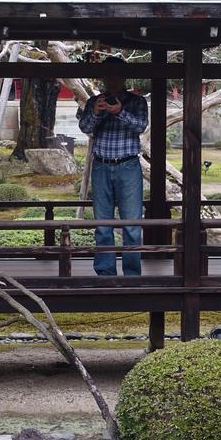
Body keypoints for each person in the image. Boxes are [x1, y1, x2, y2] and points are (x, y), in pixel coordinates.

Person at [78, 57, 149, 276]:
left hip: (128, 166)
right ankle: (105, 272)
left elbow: (141, 126)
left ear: (124, 77)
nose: (112, 80)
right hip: (101, 166)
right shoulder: (94, 101)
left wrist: (119, 111)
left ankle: (132, 274)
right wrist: (97, 112)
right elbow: (85, 128)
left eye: (116, 75)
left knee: (132, 225)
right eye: (108, 75)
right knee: (102, 224)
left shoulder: (137, 102)